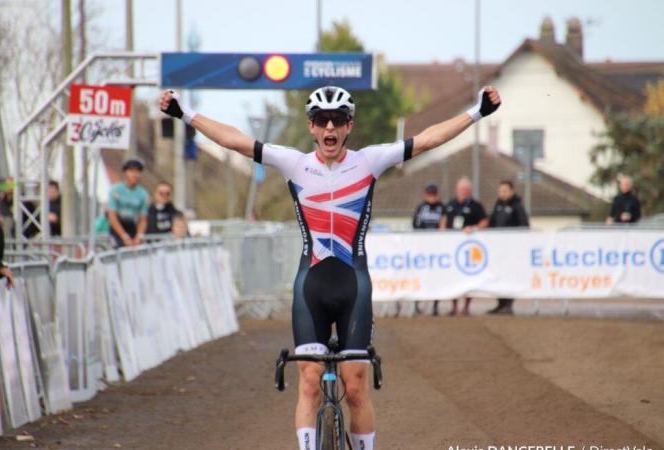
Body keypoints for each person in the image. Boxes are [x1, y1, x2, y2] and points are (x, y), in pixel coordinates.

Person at [160, 84, 501, 450]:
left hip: (354, 286)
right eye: (322, 120)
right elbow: (235, 141)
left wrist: (477, 112)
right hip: (312, 288)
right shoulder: (295, 163)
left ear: (349, 126)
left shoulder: (369, 160)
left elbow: (428, 140)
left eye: (338, 120)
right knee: (308, 382)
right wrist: (185, 114)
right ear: (310, 127)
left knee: (355, 388)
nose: (329, 128)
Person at [445, 176, 488, 316]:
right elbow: (444, 219)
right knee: (451, 277)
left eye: (465, 189)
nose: (462, 191)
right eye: (460, 189)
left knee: (468, 277)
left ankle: (466, 307)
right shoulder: (451, 204)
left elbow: (484, 222)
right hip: (452, 246)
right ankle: (454, 306)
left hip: (468, 248)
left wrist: (474, 229)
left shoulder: (476, 205)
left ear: (470, 190)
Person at [487, 180, 529, 315]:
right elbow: (492, 222)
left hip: (512, 249)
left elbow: (524, 225)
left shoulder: (517, 205)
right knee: (499, 275)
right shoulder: (498, 205)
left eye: (505, 191)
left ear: (512, 191)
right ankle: (500, 304)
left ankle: (508, 304)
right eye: (500, 191)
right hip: (498, 248)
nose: (502, 193)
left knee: (510, 276)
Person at [412, 182, 446, 316]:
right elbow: (415, 225)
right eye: (429, 194)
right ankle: (416, 304)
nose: (431, 197)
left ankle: (435, 305)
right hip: (422, 248)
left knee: (436, 277)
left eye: (433, 194)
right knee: (420, 275)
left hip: (436, 249)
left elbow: (444, 224)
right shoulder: (421, 207)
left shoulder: (442, 207)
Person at [107, 158, 149, 247]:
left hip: (132, 226)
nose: (135, 175)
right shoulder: (116, 190)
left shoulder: (143, 193)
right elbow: (112, 217)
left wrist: (139, 235)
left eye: (138, 172)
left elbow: (143, 219)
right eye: (132, 171)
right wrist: (124, 237)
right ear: (125, 172)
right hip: (118, 228)